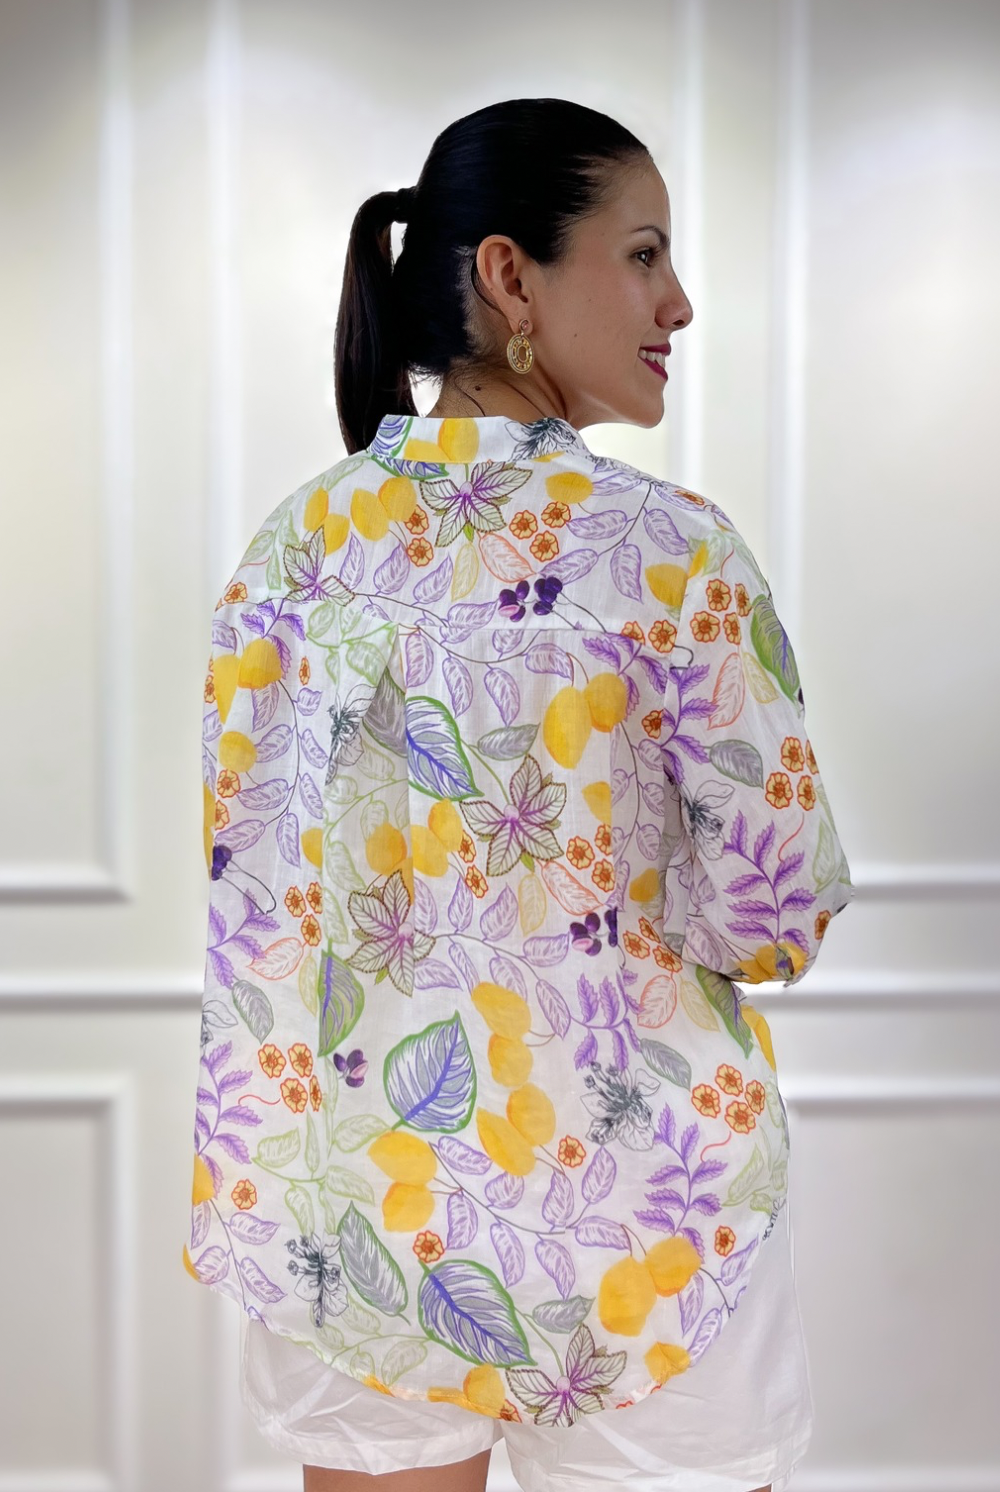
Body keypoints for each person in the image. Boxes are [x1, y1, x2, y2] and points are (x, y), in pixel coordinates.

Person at [184, 97, 855, 1492]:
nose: (679, 302)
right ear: (510, 275)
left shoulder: (290, 555)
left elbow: (253, 897)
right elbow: (775, 919)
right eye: (644, 254)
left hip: (358, 1217)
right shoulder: (672, 557)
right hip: (645, 1229)